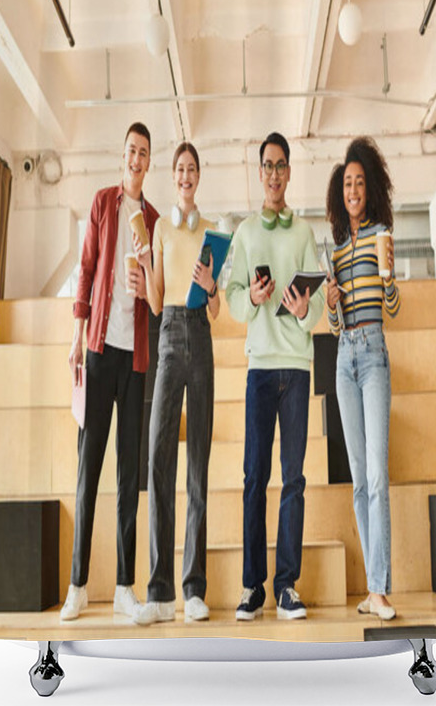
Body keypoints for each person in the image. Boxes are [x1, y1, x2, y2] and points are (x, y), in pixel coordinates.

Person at [61, 122, 159, 621]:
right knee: (88, 470)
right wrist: (77, 338)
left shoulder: (154, 220)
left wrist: (147, 286)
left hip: (135, 360)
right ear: (122, 156)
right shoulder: (102, 204)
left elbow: (158, 296)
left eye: (144, 152)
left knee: (128, 476)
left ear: (149, 161)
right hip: (99, 351)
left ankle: (125, 587)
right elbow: (85, 268)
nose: (136, 159)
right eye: (131, 151)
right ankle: (77, 585)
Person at [225, 132, 325, 621]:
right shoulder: (245, 234)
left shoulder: (304, 233)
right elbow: (232, 298)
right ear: (259, 171)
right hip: (261, 369)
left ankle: (287, 586)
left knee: (294, 479)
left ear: (289, 172)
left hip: (298, 367)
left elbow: (320, 302)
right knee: (253, 478)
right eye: (267, 165)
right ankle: (252, 587)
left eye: (281, 165)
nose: (274, 173)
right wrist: (255, 299)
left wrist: (306, 307)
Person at [133, 142, 220, 625]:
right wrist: (147, 268)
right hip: (168, 333)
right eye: (180, 169)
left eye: (193, 168)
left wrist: (210, 287)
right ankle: (159, 592)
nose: (186, 175)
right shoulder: (160, 228)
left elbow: (216, 308)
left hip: (201, 337)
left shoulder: (211, 232)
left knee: (198, 467)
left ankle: (192, 589)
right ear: (173, 176)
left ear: (199, 176)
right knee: (158, 460)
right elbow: (155, 300)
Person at [325, 136, 400, 621]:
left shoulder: (381, 236)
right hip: (343, 358)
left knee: (377, 476)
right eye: (346, 183)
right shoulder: (335, 251)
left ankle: (379, 589)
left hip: (373, 355)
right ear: (340, 193)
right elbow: (335, 324)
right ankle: (375, 585)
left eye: (359, 182)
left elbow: (391, 308)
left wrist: (390, 280)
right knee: (357, 480)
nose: (353, 189)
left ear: (368, 190)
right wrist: (331, 306)